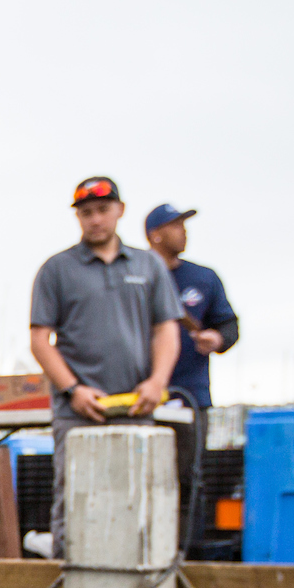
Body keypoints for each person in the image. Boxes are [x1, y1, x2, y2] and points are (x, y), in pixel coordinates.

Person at [27, 176, 180, 554]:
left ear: (120, 211)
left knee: (138, 501)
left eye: (102, 210)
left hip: (137, 408)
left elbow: (166, 331)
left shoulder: (149, 267)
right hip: (77, 414)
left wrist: (157, 382)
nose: (95, 219)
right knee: (74, 500)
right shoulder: (56, 269)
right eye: (86, 213)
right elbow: (39, 340)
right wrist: (73, 389)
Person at [144, 202, 239, 409]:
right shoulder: (133, 277)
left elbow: (229, 324)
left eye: (184, 225)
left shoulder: (204, 277)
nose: (184, 232)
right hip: (141, 394)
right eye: (176, 226)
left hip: (192, 394)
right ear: (155, 234)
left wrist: (218, 338)